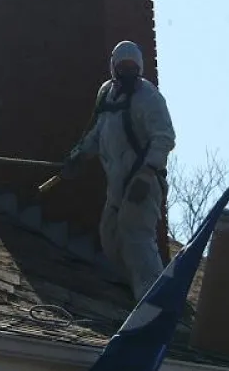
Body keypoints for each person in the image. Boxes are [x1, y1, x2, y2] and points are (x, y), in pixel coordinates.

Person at [63, 40, 176, 303]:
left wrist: (147, 174)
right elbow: (99, 132)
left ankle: (154, 299)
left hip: (143, 184)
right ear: (113, 67)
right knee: (110, 237)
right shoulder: (106, 94)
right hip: (117, 186)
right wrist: (78, 156)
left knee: (135, 236)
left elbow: (164, 137)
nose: (127, 72)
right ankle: (133, 289)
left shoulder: (149, 97)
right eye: (122, 66)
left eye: (132, 67)